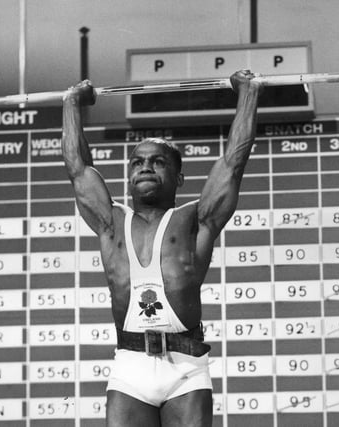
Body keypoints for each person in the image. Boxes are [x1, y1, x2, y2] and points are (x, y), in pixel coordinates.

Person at [61, 70, 264, 427]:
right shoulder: (111, 223)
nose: (145, 168)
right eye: (137, 162)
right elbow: (78, 169)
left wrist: (249, 92)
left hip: (185, 370)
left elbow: (233, 163)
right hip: (130, 368)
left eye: (157, 162)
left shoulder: (195, 221)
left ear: (179, 177)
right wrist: (72, 103)